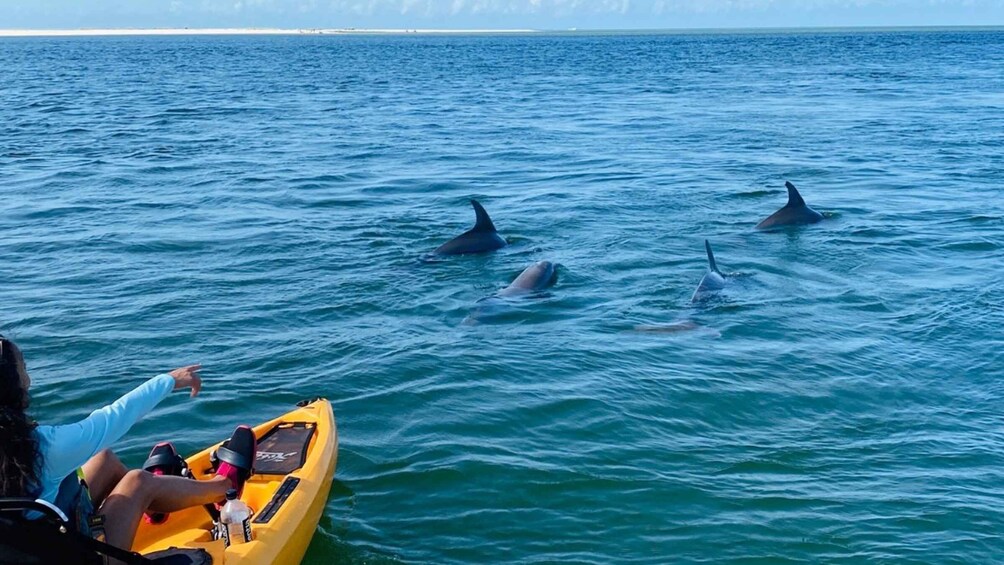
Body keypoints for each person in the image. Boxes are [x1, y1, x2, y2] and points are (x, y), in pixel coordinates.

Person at [0, 334, 255, 556]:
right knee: (138, 481)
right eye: (24, 365)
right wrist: (168, 381)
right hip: (75, 558)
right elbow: (111, 419)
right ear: (14, 384)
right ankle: (225, 488)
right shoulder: (43, 447)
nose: (28, 375)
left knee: (104, 460)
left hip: (32, 547)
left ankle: (155, 503)